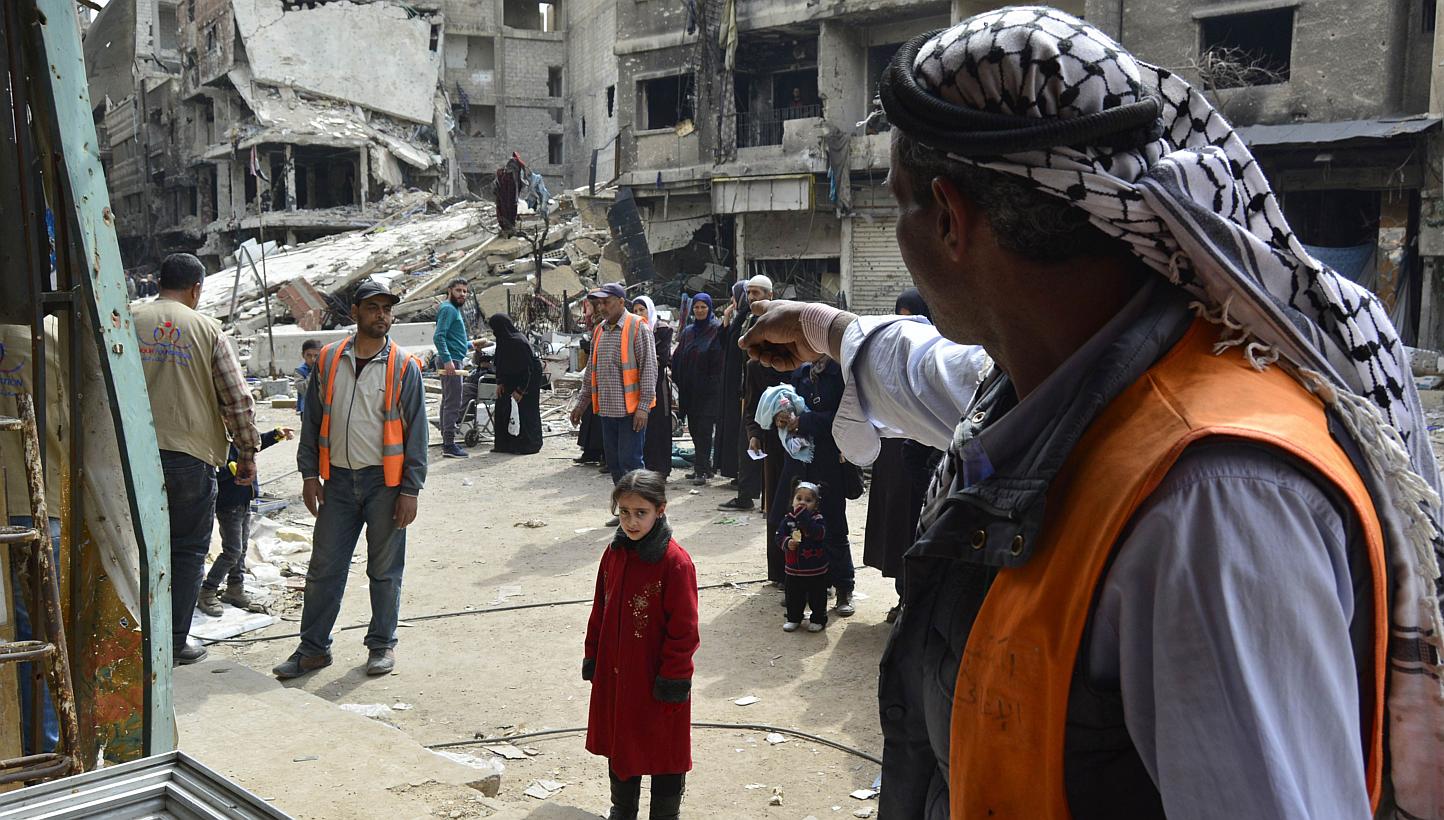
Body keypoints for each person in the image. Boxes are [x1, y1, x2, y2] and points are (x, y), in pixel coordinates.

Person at [740, 9, 1444, 818]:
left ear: (948, 217)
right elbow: (930, 373)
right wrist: (824, 329)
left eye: (897, 204)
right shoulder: (1055, 379)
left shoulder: (1210, 504)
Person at [276, 278, 428, 679]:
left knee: (384, 570)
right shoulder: (327, 360)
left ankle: (381, 645)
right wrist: (309, 474)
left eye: (387, 309)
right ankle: (313, 650)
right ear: (355, 312)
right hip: (339, 483)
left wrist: (410, 489)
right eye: (374, 308)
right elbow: (311, 421)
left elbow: (417, 433)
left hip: (386, 484)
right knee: (324, 568)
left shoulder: (403, 366)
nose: (383, 315)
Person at [133, 252, 261, 666]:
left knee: (135, 547)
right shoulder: (208, 330)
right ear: (196, 289)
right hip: (190, 457)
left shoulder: (129, 320)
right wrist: (248, 452)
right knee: (186, 551)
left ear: (157, 283)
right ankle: (173, 642)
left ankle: (134, 637)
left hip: (133, 456)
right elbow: (236, 399)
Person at [583, 469, 698, 820]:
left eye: (640, 513)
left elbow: (685, 631)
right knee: (622, 742)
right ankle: (622, 808)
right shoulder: (614, 554)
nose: (630, 522)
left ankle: (665, 814)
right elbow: (599, 609)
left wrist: (673, 680)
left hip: (657, 678)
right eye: (623, 512)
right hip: (617, 673)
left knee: (664, 751)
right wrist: (593, 656)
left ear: (660, 510)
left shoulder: (675, 563)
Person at [1, 320, 66, 752]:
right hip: (36, 498)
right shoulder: (52, 330)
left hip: (20, 499)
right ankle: (40, 752)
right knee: (37, 634)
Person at [861, 289, 943, 623]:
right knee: (896, 527)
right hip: (892, 457)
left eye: (913, 315)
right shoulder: (888, 353)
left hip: (924, 458)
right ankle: (902, 597)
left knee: (918, 525)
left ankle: (919, 602)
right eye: (901, 315)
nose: (906, 323)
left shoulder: (935, 353)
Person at [758, 358, 854, 615]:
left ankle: (844, 588)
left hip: (827, 460)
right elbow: (788, 403)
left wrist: (804, 422)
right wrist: (782, 417)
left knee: (832, 523)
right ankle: (809, 587)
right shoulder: (801, 373)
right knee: (797, 522)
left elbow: (845, 417)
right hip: (800, 461)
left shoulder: (840, 373)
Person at [570, 283, 658, 496]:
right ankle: (626, 511)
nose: (602, 307)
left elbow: (649, 369)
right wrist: (582, 404)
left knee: (631, 464)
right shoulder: (600, 330)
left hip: (630, 412)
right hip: (607, 411)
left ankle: (643, 510)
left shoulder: (638, 327)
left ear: (620, 302)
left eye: (606, 302)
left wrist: (644, 407)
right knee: (615, 464)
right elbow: (592, 369)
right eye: (599, 303)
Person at [197, 426, 294, 616]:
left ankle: (235, 589)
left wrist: (275, 435)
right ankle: (207, 590)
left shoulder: (240, 437)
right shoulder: (215, 438)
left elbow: (255, 446)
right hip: (228, 504)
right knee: (232, 550)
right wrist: (231, 468)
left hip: (244, 502)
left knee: (241, 550)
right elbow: (210, 470)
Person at [719, 275, 783, 514]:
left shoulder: (775, 322)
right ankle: (746, 495)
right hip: (749, 392)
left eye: (757, 293)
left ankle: (769, 499)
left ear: (770, 296)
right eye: (750, 293)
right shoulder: (747, 319)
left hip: (770, 394)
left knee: (770, 445)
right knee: (748, 444)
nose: (752, 297)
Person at [672, 293, 724, 486]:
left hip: (709, 392)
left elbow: (718, 361)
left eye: (703, 307)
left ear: (709, 309)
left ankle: (701, 470)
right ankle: (705, 467)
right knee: (694, 429)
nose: (700, 310)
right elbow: (678, 356)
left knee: (703, 430)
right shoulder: (688, 332)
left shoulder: (716, 330)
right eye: (697, 307)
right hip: (689, 391)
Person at [488, 313, 545, 455]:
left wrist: (520, 390)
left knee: (526, 410)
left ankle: (528, 444)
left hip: (527, 379)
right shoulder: (503, 339)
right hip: (510, 379)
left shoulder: (517, 342)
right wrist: (500, 382)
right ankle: (505, 444)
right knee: (503, 407)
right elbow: (500, 364)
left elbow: (527, 369)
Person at [776, 480, 828, 633]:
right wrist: (787, 542)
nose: (802, 503)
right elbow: (779, 536)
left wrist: (804, 518)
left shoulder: (817, 519)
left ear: (816, 504)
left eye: (808, 500)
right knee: (793, 596)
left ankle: (818, 618)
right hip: (793, 568)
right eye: (799, 498)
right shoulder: (788, 519)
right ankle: (793, 618)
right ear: (792, 500)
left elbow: (819, 534)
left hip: (815, 568)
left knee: (817, 596)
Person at [631, 296, 674, 477]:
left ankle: (660, 469)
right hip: (636, 384)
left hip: (657, 384)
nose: (640, 314)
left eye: (642, 310)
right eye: (636, 311)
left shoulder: (662, 329)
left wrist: (642, 360)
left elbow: (663, 359)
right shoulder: (631, 330)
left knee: (658, 426)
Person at [713, 282, 748, 482]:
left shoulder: (748, 318)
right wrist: (726, 318)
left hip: (739, 385)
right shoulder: (739, 318)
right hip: (730, 383)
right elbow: (725, 344)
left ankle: (739, 473)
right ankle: (733, 471)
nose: (732, 302)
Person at [434, 278, 471, 458]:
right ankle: (449, 444)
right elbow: (439, 337)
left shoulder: (452, 309)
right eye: (458, 290)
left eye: (465, 291)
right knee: (454, 402)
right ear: (450, 291)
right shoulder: (448, 308)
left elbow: (452, 338)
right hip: (452, 361)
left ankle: (446, 440)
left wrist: (470, 345)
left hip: (454, 357)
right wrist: (448, 360)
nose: (462, 294)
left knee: (448, 400)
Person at [295, 339, 322, 417]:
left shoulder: (325, 369)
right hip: (307, 410)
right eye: (309, 355)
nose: (313, 359)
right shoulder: (299, 371)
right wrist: (314, 372)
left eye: (316, 356)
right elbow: (303, 389)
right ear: (303, 355)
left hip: (323, 408)